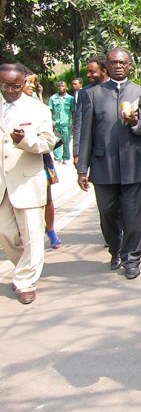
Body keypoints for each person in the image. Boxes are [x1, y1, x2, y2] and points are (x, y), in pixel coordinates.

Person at [76, 47, 141, 280]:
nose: (119, 66)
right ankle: (116, 249)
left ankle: (132, 258)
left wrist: (135, 123)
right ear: (107, 66)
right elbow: (86, 134)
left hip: (133, 164)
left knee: (133, 215)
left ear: (130, 65)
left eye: (123, 62)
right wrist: (83, 169)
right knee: (107, 213)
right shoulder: (92, 94)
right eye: (114, 62)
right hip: (103, 165)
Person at [0, 63, 58, 304]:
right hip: (2, 182)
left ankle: (25, 281)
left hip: (26, 180)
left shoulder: (38, 109)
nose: (11, 90)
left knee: (32, 234)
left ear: (24, 83)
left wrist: (26, 141)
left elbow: (49, 142)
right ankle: (24, 265)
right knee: (6, 234)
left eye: (16, 85)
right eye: (5, 85)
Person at [22, 70, 62, 249]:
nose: (30, 85)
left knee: (46, 197)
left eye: (33, 82)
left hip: (40, 156)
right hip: (16, 161)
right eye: (27, 82)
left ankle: (51, 230)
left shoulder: (38, 105)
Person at [73, 55, 109, 167]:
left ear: (104, 71)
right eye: (88, 71)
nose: (88, 75)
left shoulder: (117, 89)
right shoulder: (84, 93)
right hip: (95, 151)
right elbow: (79, 124)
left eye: (92, 72)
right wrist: (77, 152)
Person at [49, 81, 76, 164]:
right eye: (59, 86)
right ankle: (57, 158)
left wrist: (73, 123)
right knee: (56, 141)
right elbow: (50, 110)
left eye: (62, 86)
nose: (61, 87)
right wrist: (50, 122)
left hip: (66, 124)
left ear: (66, 87)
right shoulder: (53, 98)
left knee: (66, 141)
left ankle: (66, 158)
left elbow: (73, 111)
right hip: (56, 124)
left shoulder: (70, 99)